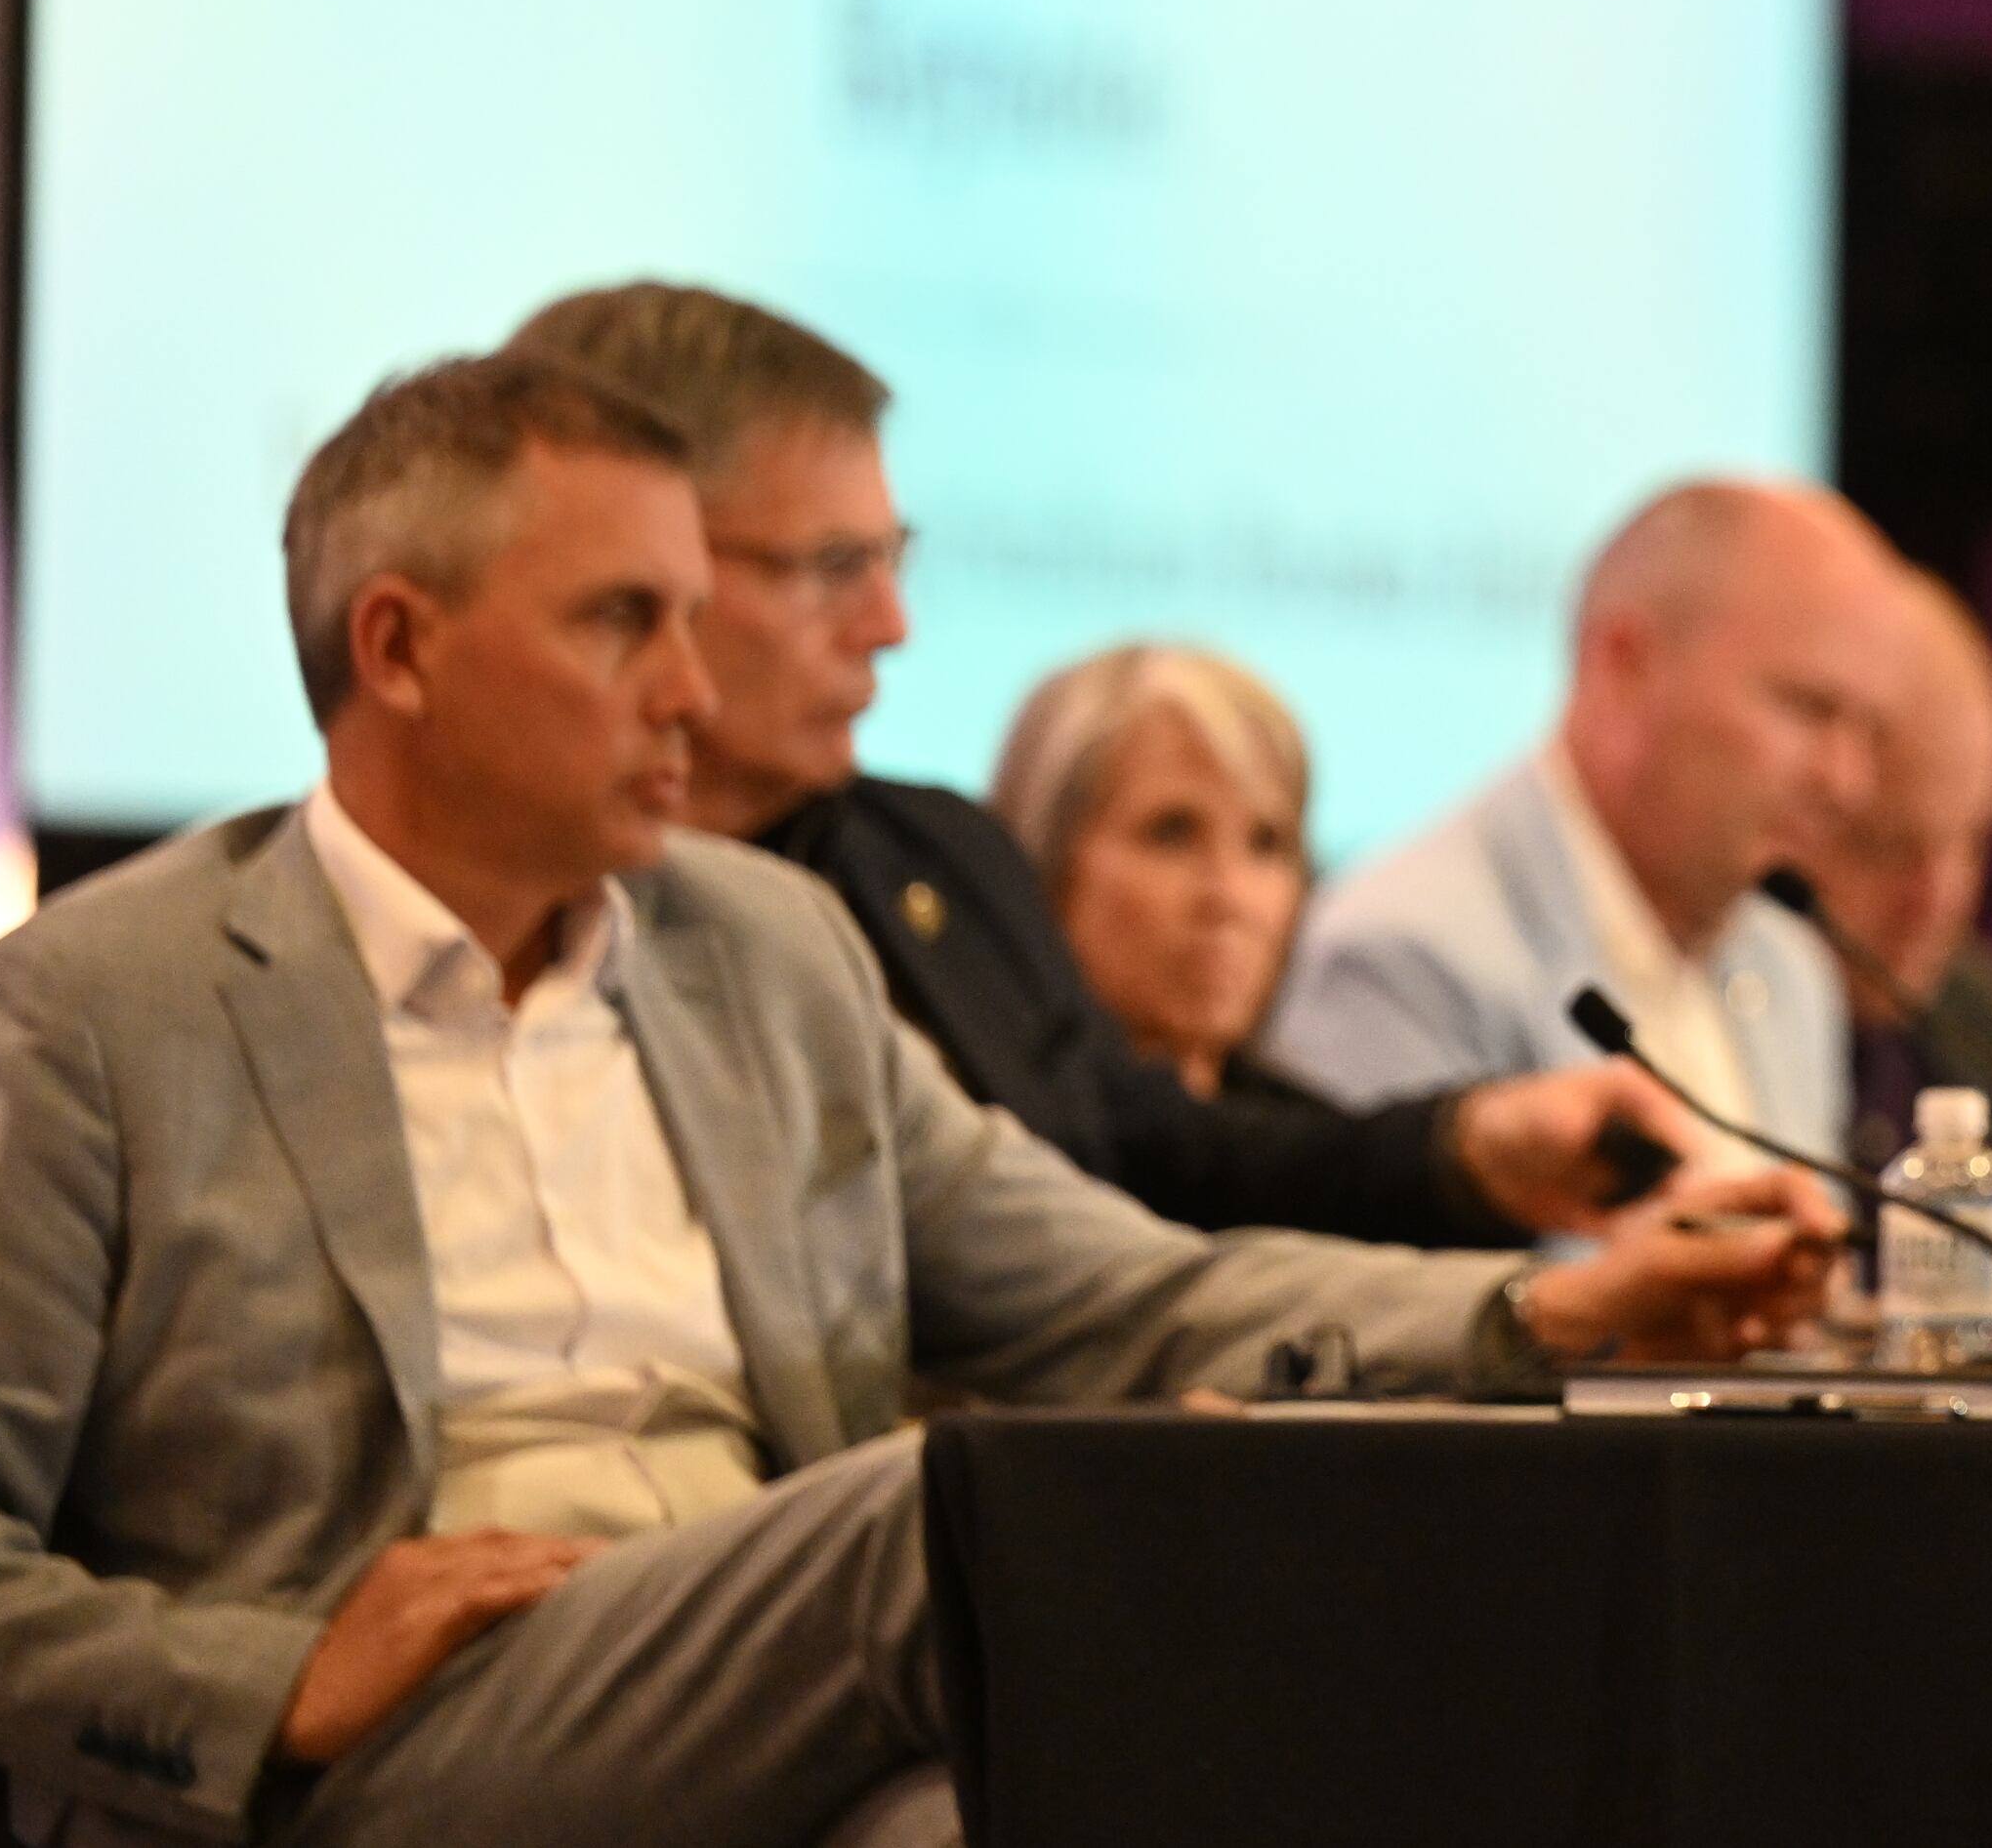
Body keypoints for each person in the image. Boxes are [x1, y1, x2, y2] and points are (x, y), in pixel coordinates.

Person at [0, 355, 1827, 1848]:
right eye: (625, 620)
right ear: (400, 646)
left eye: (703, 620)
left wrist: (1551, 1307)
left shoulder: (766, 953)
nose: (696, 695)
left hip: (758, 1713)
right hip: (376, 1764)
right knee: (960, 1509)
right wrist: (272, 1679)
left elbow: (1120, 1292)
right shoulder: (98, 1008)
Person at [511, 283, 1649, 1248]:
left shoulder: (935, 862)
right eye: (830, 565)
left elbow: (1149, 1165)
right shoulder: (486, 910)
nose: (890, 623)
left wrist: (1470, 1152)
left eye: (890, 558)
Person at [1266, 479, 1886, 1170]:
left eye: (1867, 728)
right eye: (1807, 708)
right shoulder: (1399, 958)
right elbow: (1420, 1280)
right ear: (1625, 664)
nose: (1847, 780)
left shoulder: (1786, 959)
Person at [1797, 569, 1992, 1287]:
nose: (1936, 900)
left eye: (1971, 841)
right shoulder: (1717, 1029)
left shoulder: (1991, 1024)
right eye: (1886, 846)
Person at [989, 642, 1317, 1100]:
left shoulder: (1334, 1149)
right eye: (1172, 834)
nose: (1228, 896)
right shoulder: (963, 1147)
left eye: (1266, 844)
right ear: (1044, 856)